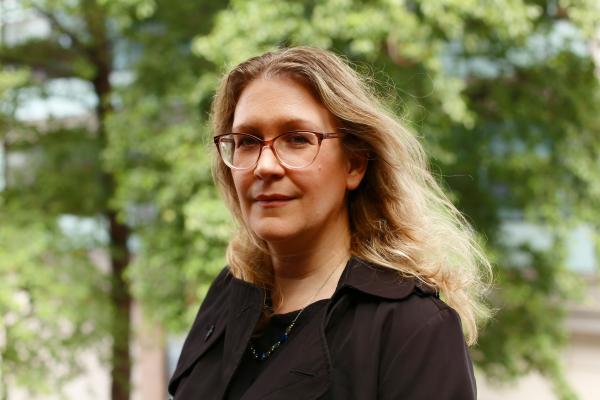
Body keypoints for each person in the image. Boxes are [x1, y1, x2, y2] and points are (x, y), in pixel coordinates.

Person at [168, 47, 491, 400]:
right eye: (247, 141)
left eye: (297, 139)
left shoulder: (410, 327)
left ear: (354, 165)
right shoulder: (230, 293)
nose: (265, 166)